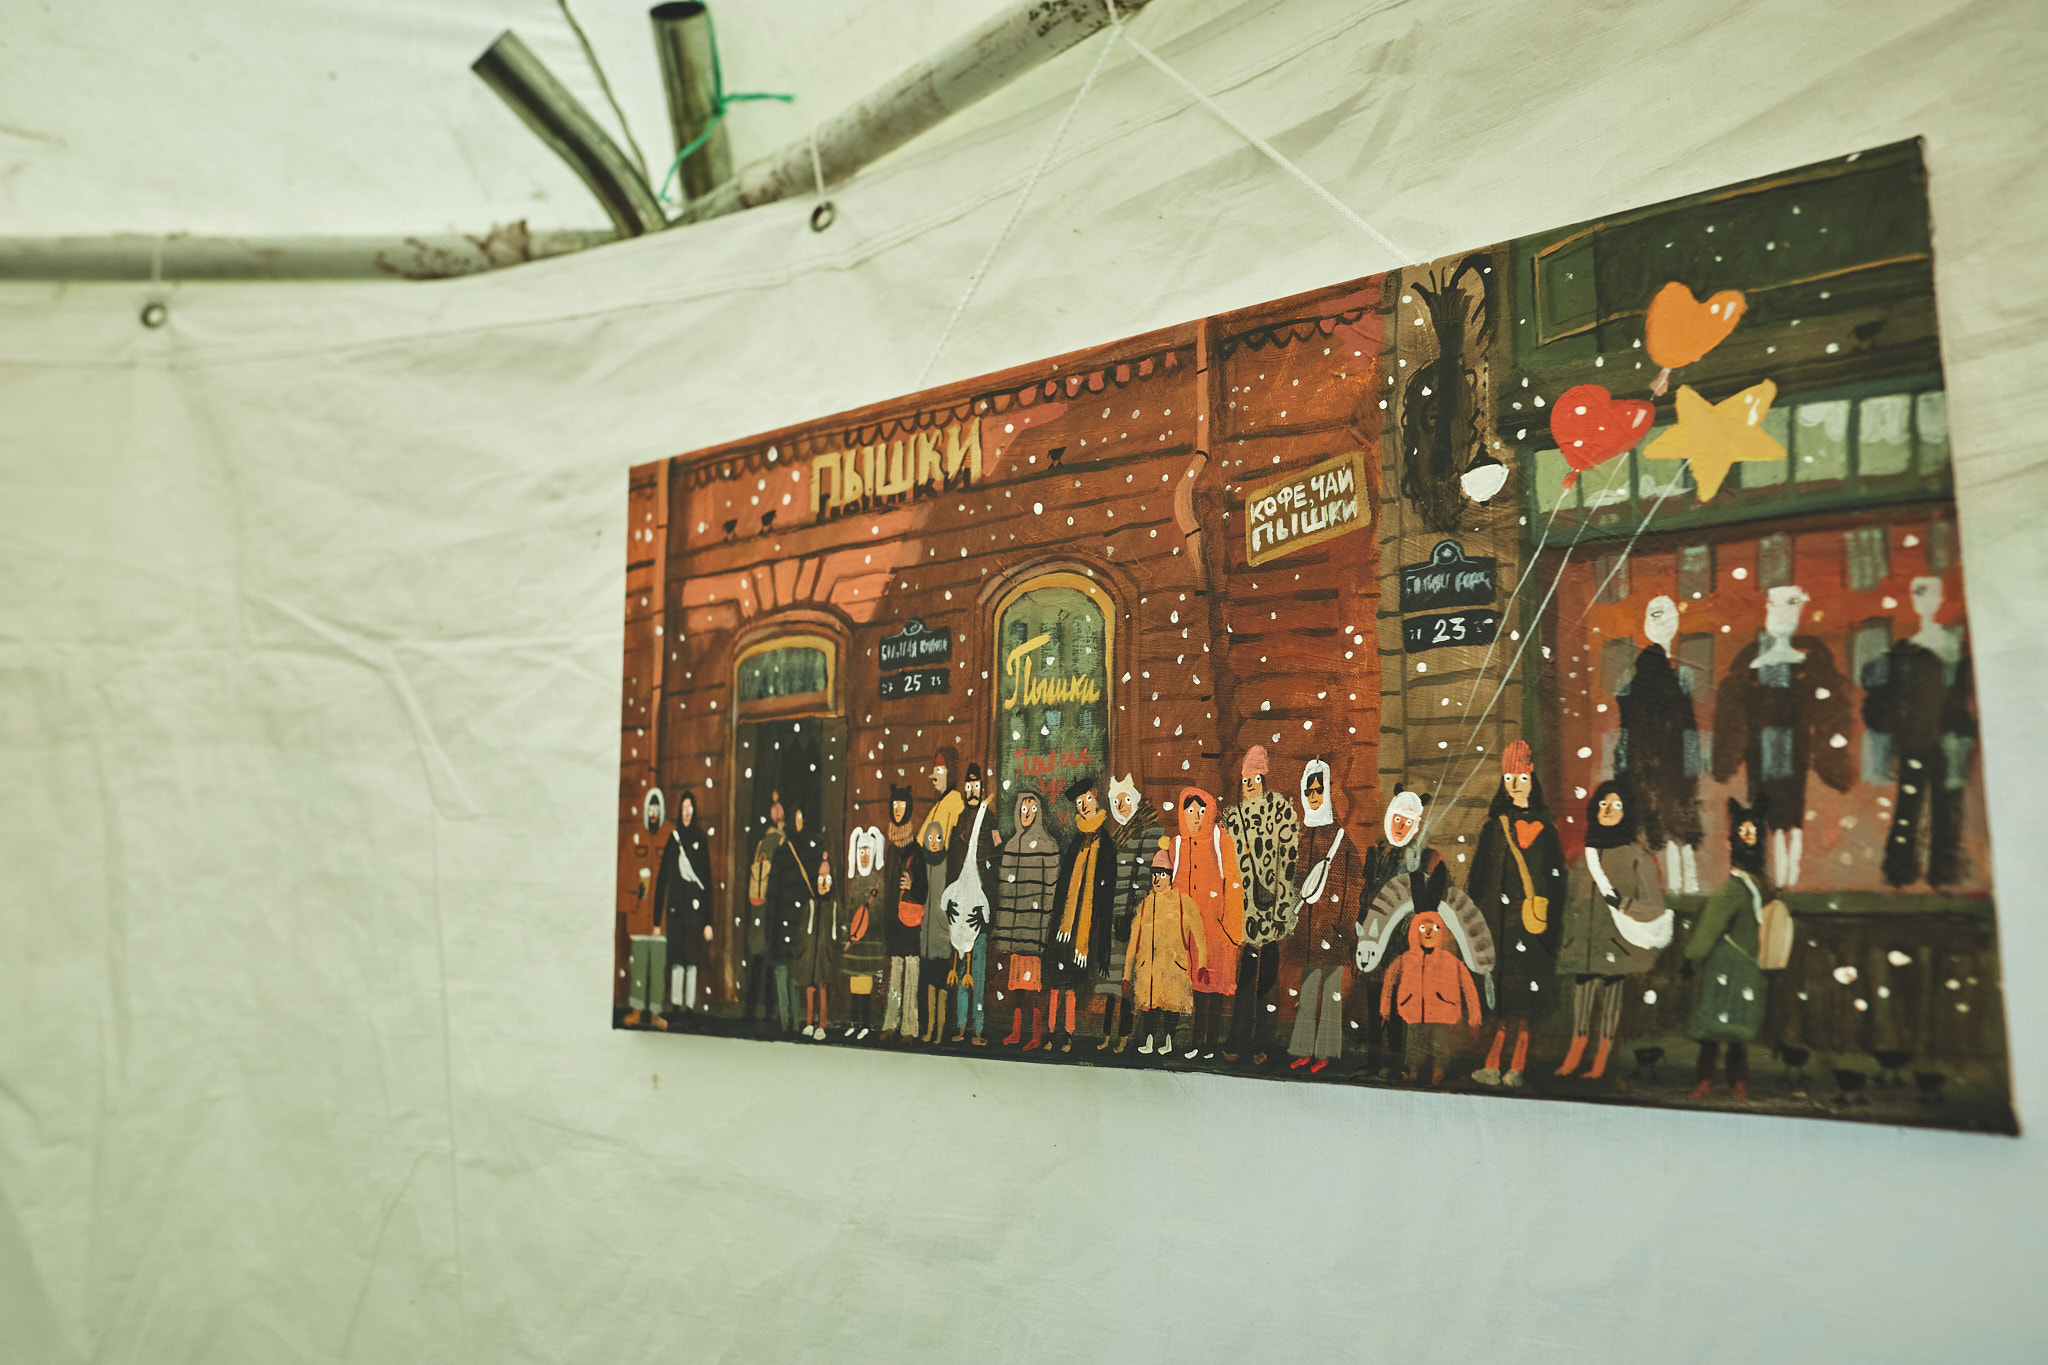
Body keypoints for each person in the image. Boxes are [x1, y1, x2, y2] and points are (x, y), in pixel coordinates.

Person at [1712, 585, 1852, 886]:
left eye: (1790, 606)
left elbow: (1830, 703)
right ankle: (1771, 876)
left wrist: (1832, 736)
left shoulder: (1808, 659)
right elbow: (1732, 710)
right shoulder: (1749, 663)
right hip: (1759, 749)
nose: (1781, 614)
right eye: (1776, 606)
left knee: (1792, 809)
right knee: (1763, 809)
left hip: (1794, 745)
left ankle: (1790, 876)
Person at [1554, 781, 1671, 1079]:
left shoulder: (1637, 856)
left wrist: (1625, 905)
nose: (1608, 810)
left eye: (1617, 805)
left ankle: (1601, 1058)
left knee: (1611, 999)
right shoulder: (1585, 855)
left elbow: (1655, 905)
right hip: (1583, 942)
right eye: (1604, 804)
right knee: (1582, 994)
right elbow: (1570, 899)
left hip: (1617, 942)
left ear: (1626, 812)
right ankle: (1575, 1052)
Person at [1467, 742, 1567, 1087]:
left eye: (1521, 777)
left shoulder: (1546, 829)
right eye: (1509, 777)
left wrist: (1552, 926)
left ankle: (1517, 1066)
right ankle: (1493, 1063)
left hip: (1532, 928)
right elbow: (1478, 878)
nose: (1514, 784)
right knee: (1500, 1000)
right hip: (1497, 928)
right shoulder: (1494, 828)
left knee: (1524, 1001)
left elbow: (1556, 881)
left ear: (1531, 776)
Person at [1685, 797, 1781, 1101]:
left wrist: (1691, 958)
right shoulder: (1750, 888)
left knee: (1721, 1032)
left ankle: (1721, 1082)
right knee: (1726, 1032)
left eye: (1753, 832)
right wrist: (1694, 955)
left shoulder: (1744, 888)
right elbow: (1711, 927)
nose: (1748, 837)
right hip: (1738, 968)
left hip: (1733, 969)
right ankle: (1723, 1083)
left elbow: (1709, 929)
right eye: (1743, 831)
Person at [1615, 595, 1706, 893]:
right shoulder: (1646, 677)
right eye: (1656, 616)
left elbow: (1687, 727)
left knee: (1673, 826)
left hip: (1667, 767)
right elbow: (1631, 729)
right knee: (1668, 826)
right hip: (1656, 767)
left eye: (1667, 616)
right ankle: (1679, 889)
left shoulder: (1679, 674)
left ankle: (1683, 887)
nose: (1663, 623)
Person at [1225, 745, 1301, 1064]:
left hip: (1271, 909)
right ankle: (1239, 1037)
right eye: (1245, 780)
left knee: (1267, 978)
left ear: (1264, 779)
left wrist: (1281, 904)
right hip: (1245, 912)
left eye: (1255, 779)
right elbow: (1230, 867)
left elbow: (1288, 861)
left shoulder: (1280, 811)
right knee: (1245, 976)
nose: (1250, 786)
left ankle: (1262, 1042)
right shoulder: (1235, 818)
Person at [1352, 786, 1432, 1076]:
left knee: (1398, 1001)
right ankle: (1374, 1060)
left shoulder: (1416, 858)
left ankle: (1396, 1062)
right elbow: (1366, 894)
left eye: (1408, 822)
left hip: (1400, 942)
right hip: (1374, 939)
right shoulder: (1377, 851)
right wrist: (1361, 934)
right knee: (1374, 1001)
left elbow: (1421, 904)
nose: (1401, 826)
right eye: (1397, 819)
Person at [1289, 759, 1355, 1074]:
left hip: (1333, 932)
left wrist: (1341, 926)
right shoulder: (1303, 835)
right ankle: (1303, 1049)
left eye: (1318, 790)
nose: (1313, 796)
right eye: (1308, 790)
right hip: (1308, 932)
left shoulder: (1340, 838)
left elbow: (1350, 886)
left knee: (1330, 995)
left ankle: (1325, 1052)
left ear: (1327, 791)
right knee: (1307, 991)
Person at [1048, 775, 1120, 1054]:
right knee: (1057, 980)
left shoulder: (1106, 846)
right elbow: (1064, 888)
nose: (1084, 806)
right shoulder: (1076, 842)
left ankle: (1068, 1033)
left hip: (1087, 930)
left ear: (1096, 796)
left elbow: (1106, 898)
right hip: (1066, 927)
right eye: (1079, 803)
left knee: (1073, 984)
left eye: (1087, 799)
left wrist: (1101, 947)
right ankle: (1052, 1032)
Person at [1379, 891, 1481, 1085]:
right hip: (1413, 1009)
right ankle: (1413, 1069)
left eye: (1434, 928)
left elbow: (1469, 987)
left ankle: (1438, 1070)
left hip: (1443, 1011)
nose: (1428, 932)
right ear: (1415, 931)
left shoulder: (1450, 961)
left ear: (1441, 931)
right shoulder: (1406, 960)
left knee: (1441, 1044)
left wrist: (1474, 1019)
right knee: (1414, 1043)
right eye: (1423, 927)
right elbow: (1389, 980)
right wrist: (1385, 1010)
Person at [1172, 786, 1244, 1059]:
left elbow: (1234, 884)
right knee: (1196, 987)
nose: (1196, 817)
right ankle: (1195, 1041)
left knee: (1214, 986)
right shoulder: (1177, 845)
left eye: (1202, 811)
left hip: (1217, 930)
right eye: (1190, 811)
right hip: (1189, 933)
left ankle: (1210, 1043)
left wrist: (1232, 929)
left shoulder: (1220, 840)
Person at [992, 789, 1060, 1050]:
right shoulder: (1011, 846)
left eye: (1032, 809)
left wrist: (1045, 927)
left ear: (1038, 812)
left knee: (1035, 989)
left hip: (1036, 932)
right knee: (1017, 988)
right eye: (1023, 809)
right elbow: (1006, 891)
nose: (1027, 814)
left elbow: (1051, 890)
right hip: (1016, 933)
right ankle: (1016, 1031)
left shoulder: (1048, 845)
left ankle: (1036, 1034)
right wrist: (1005, 930)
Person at [1125, 840, 1206, 1057]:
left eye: (1161, 874)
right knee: (1150, 1006)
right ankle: (1149, 1040)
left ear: (1170, 876)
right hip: (1149, 969)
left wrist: (1203, 963)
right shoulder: (1146, 904)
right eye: (1154, 874)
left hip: (1173, 967)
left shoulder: (1182, 902)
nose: (1157, 879)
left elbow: (1199, 934)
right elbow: (1134, 940)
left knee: (1171, 1006)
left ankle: (1169, 1041)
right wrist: (1126, 974)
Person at [1100, 775, 1162, 1052]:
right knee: (1112, 981)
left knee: (1127, 980)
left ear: (1134, 800)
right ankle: (1107, 1033)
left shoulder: (1146, 832)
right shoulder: (1120, 834)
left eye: (1125, 799)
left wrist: (1131, 915)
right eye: (1116, 802)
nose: (1121, 805)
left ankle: (1125, 1035)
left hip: (1131, 920)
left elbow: (1143, 879)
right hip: (1115, 917)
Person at [945, 763, 1001, 1045]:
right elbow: (951, 868)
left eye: (976, 786)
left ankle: (977, 1029)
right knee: (959, 972)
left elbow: (996, 869)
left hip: (979, 913)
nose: (972, 791)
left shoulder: (990, 821)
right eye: (968, 787)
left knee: (977, 972)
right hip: (959, 915)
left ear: (981, 787)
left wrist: (988, 911)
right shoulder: (958, 822)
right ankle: (960, 1027)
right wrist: (948, 904)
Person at [915, 746, 966, 1043]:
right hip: (927, 919)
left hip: (943, 915)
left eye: (939, 770)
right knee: (929, 975)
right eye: (934, 769)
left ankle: (941, 1029)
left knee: (942, 975)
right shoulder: (939, 805)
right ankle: (929, 1026)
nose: (933, 775)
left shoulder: (954, 802)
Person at [655, 788, 713, 1029]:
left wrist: (708, 921)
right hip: (676, 913)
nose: (687, 812)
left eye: (690, 808)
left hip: (695, 915)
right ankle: (677, 1008)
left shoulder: (701, 838)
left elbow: (707, 882)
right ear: (679, 811)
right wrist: (657, 919)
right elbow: (662, 879)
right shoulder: (673, 838)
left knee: (692, 962)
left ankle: (689, 1009)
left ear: (694, 811)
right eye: (683, 808)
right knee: (677, 961)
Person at [879, 786, 923, 1041]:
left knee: (912, 971)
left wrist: (913, 886)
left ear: (908, 809)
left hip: (910, 921)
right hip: (894, 921)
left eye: (902, 806)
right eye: (894, 806)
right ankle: (891, 1022)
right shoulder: (890, 848)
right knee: (895, 970)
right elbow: (887, 887)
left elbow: (924, 888)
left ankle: (909, 1026)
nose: (897, 810)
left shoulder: (915, 849)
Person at [792, 831, 840, 1040]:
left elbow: (836, 932)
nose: (823, 883)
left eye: (826, 879)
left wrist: (832, 952)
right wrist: (803, 951)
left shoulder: (833, 906)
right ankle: (809, 1022)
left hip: (824, 956)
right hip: (810, 956)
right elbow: (804, 930)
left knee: (822, 988)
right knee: (809, 989)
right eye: (820, 879)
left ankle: (822, 1024)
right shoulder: (810, 904)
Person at [840, 826, 885, 1040]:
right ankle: (854, 1022)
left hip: (870, 945)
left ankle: (865, 1023)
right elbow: (848, 912)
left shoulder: (877, 883)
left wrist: (867, 920)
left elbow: (879, 913)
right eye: (861, 851)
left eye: (868, 851)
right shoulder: (854, 883)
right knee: (854, 985)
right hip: (856, 944)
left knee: (865, 986)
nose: (864, 856)